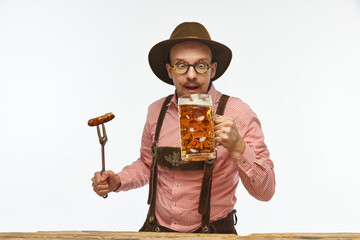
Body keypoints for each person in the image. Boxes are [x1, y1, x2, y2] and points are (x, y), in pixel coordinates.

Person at [91, 22, 275, 234]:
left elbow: (266, 191)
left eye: (200, 65)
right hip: (157, 231)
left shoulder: (238, 113)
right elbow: (147, 164)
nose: (191, 75)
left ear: (212, 69)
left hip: (214, 232)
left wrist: (238, 148)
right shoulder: (156, 111)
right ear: (170, 70)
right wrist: (118, 180)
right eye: (181, 65)